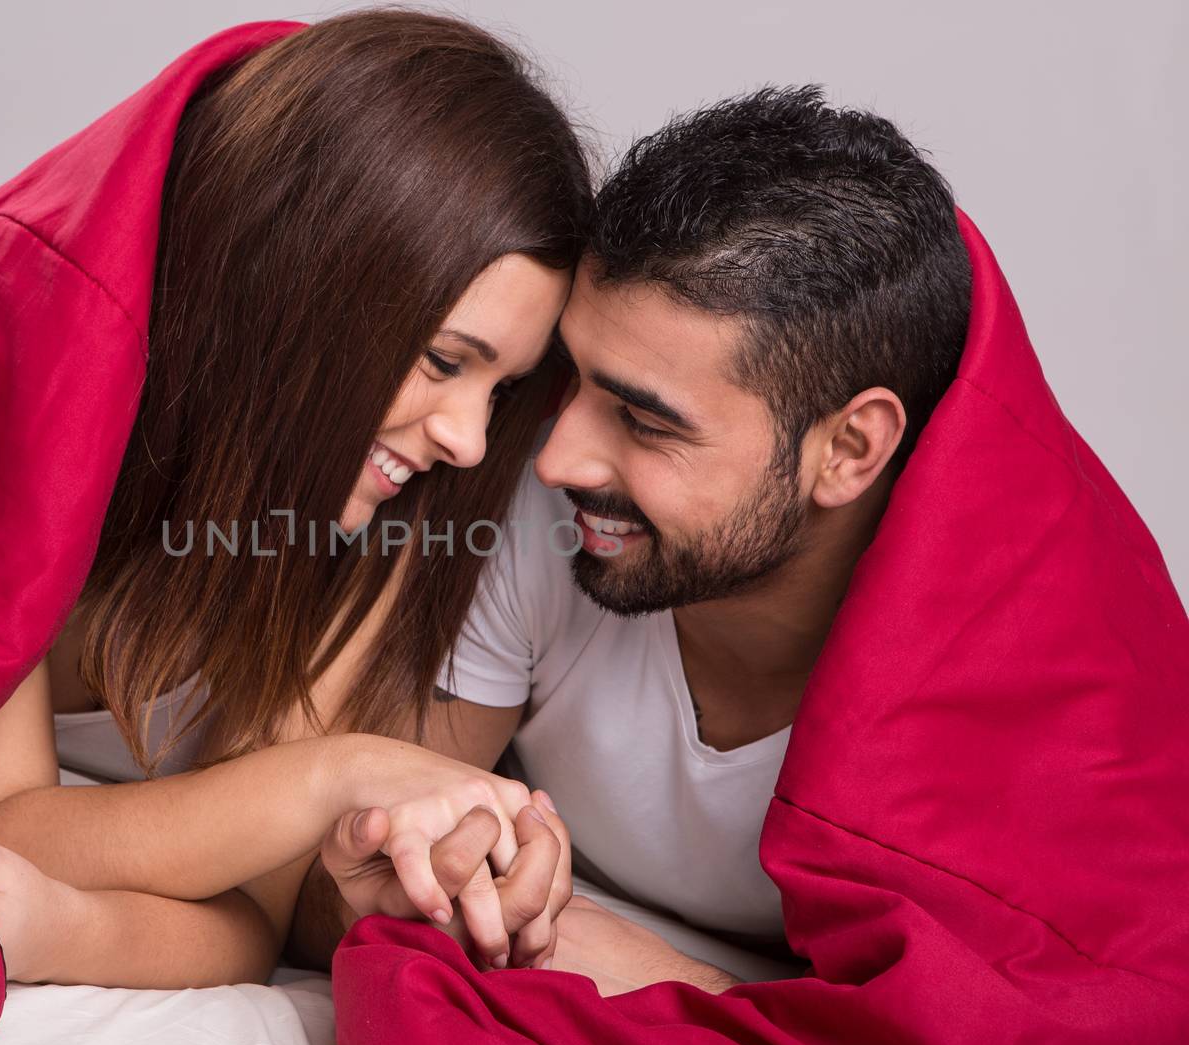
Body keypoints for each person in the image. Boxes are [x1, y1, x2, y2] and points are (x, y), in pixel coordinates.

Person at [0, 9, 591, 989]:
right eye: (441, 361)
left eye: (499, 389)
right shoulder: (33, 420)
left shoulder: (380, 524)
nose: (467, 438)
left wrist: (70, 931)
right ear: (295, 293)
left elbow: (245, 924)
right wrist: (332, 773)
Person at [294, 85, 974, 987]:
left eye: (646, 423)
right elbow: (325, 888)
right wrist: (412, 888)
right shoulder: (549, 520)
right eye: (570, 383)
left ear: (848, 449)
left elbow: (988, 1020)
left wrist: (670, 979)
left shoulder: (976, 678)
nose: (556, 459)